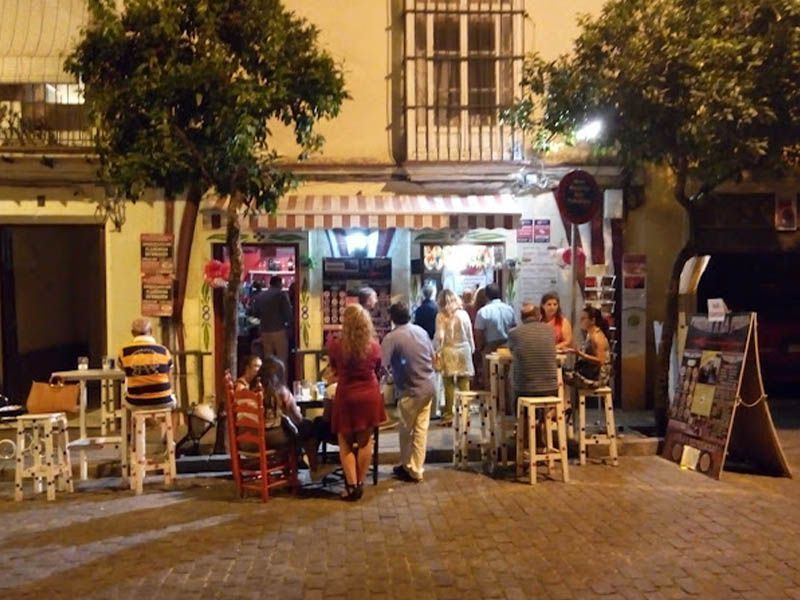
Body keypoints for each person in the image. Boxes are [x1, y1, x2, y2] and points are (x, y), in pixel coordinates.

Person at [327, 304, 386, 501]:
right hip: (369, 395)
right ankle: (360, 482)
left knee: (344, 442)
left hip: (346, 396)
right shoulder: (374, 346)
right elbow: (378, 367)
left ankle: (351, 486)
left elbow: (334, 368)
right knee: (365, 441)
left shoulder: (336, 345)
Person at [382, 301, 436, 483]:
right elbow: (432, 355)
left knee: (406, 429)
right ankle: (417, 468)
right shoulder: (421, 332)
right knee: (421, 428)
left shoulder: (392, 337)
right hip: (428, 385)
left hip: (410, 389)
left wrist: (388, 379)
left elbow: (382, 364)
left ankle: (407, 466)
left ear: (392, 318)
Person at [258, 356, 320, 472]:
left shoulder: (254, 390)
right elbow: (297, 418)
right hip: (275, 435)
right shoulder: (282, 392)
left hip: (256, 434)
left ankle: (296, 460)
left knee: (299, 428)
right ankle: (314, 467)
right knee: (308, 426)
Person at [433, 289, 475, 425]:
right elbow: (469, 334)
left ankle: (448, 415)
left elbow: (440, 336)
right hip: (463, 349)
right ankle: (466, 414)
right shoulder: (463, 314)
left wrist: (436, 351)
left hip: (448, 350)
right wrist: (472, 349)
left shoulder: (440, 316)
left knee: (448, 385)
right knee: (464, 383)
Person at [118, 317, 175, 409]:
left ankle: (139, 423)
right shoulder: (163, 351)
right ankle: (157, 423)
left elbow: (123, 369)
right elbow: (170, 374)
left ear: (132, 333)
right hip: (164, 399)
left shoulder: (124, 352)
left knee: (128, 401)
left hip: (135, 401)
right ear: (151, 331)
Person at [508, 303, 559, 406]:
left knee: (512, 373)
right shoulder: (550, 330)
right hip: (551, 387)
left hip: (525, 388)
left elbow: (512, 351)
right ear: (539, 316)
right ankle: (546, 418)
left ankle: (520, 418)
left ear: (522, 318)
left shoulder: (514, 333)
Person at [251, 275, 293, 377]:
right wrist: (289, 327)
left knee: (268, 361)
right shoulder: (281, 295)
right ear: (279, 283)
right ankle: (282, 384)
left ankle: (269, 384)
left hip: (265, 331)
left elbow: (255, 313)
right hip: (279, 331)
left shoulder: (260, 296)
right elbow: (288, 313)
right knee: (282, 360)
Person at [564, 306, 612, 390]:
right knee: (562, 373)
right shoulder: (590, 334)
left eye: (583, 318)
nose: (580, 321)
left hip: (597, 378)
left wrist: (580, 354)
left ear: (592, 321)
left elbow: (601, 360)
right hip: (591, 372)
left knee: (560, 375)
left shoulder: (597, 336)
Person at [474, 283, 516, 354]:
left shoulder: (483, 312)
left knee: (490, 365)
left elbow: (479, 333)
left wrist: (480, 348)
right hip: (507, 345)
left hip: (490, 346)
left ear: (486, 296)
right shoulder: (509, 309)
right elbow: (514, 328)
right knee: (506, 364)